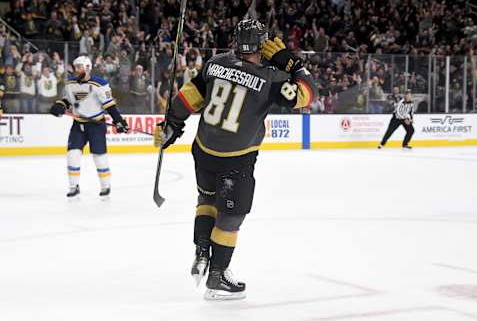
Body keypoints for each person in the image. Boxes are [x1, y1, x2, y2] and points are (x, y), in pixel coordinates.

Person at [154, 19, 315, 300]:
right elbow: (306, 95)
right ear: (262, 45)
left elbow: (190, 95)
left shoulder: (216, 63)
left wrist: (172, 124)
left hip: (203, 150)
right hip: (236, 159)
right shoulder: (271, 78)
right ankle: (217, 276)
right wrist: (292, 64)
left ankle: (202, 251)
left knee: (206, 201)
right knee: (231, 215)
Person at [49, 56, 129, 199]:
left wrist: (118, 120)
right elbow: (68, 100)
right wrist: (60, 105)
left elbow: (109, 105)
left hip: (96, 125)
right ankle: (74, 187)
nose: (77, 69)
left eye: (80, 66)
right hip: (78, 125)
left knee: (99, 157)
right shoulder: (70, 84)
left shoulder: (100, 84)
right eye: (76, 66)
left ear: (88, 67)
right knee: (72, 155)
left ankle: (105, 186)